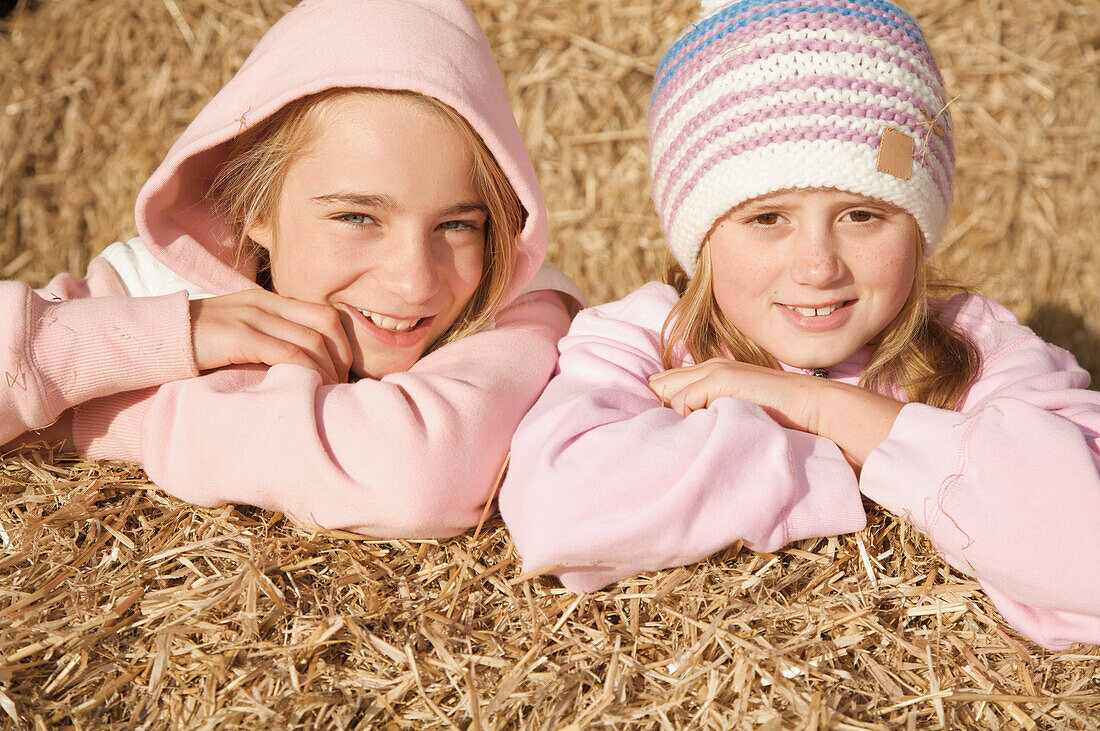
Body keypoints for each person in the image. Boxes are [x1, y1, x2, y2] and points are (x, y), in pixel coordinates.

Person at [499, 0, 1100, 651]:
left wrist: (818, 407)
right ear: (700, 237)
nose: (817, 266)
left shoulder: (977, 346)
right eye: (768, 219)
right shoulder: (644, 339)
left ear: (920, 225)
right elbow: (559, 506)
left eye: (862, 215)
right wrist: (872, 462)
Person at [0, 0, 582, 538]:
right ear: (251, 208)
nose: (415, 281)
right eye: (357, 217)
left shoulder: (519, 311)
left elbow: (417, 478)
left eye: (457, 225)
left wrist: (93, 417)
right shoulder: (155, 289)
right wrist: (176, 335)